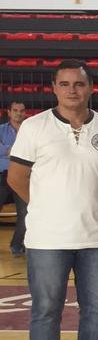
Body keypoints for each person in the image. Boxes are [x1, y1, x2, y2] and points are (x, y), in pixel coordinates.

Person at [7, 61, 98, 340]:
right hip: (47, 238)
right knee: (45, 311)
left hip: (97, 237)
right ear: (54, 88)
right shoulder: (33, 127)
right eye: (65, 84)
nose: (72, 90)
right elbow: (16, 179)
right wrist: (47, 206)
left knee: (97, 309)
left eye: (79, 84)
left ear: (90, 88)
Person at [0, 100, 28, 256]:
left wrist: (6, 150)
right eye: (15, 110)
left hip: (22, 176)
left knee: (25, 213)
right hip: (2, 176)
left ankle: (17, 246)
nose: (19, 113)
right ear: (9, 112)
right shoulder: (1, 130)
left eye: (22, 110)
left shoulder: (30, 131)